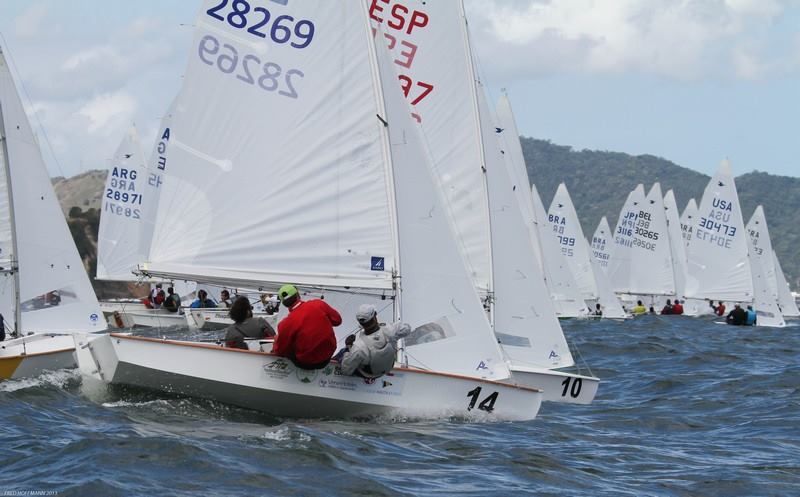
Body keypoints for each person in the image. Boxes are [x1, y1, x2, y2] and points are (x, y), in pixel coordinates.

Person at [272, 284, 341, 370]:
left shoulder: (284, 324)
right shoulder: (318, 304)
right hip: (328, 356)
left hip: (306, 363)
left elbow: (280, 351)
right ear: (298, 295)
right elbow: (338, 321)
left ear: (284, 304)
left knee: (283, 342)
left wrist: (276, 341)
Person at [338, 304, 411, 378]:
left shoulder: (358, 346)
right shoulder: (391, 330)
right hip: (387, 368)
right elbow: (407, 329)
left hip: (368, 374)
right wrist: (387, 326)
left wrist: (349, 346)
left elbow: (346, 371)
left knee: (343, 352)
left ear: (360, 323)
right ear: (375, 315)